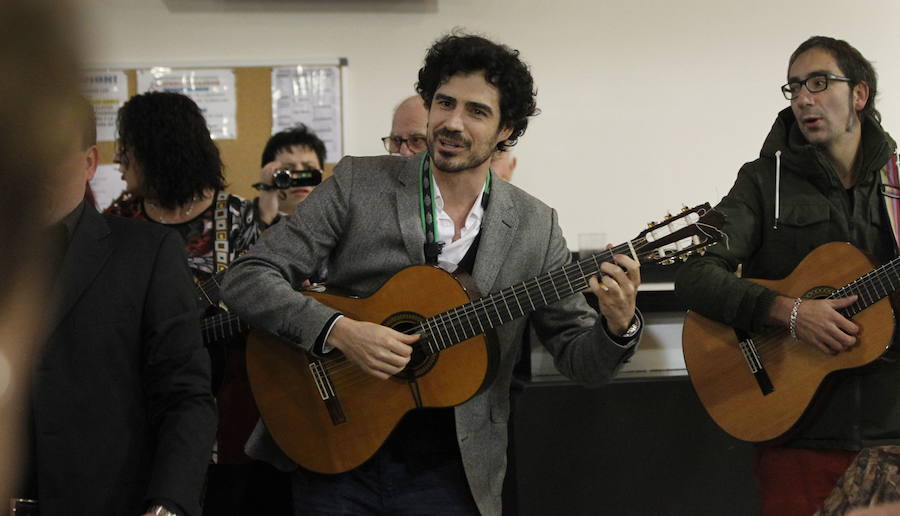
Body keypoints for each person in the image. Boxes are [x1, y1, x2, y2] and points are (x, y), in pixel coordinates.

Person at [222, 32, 642, 516]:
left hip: (454, 471)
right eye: (444, 103)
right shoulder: (360, 182)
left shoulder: (535, 225)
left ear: (507, 130)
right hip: (335, 444)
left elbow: (580, 361)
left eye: (476, 112)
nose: (452, 123)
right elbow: (247, 278)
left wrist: (617, 327)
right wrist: (339, 331)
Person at [675, 36, 900, 516]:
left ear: (859, 95)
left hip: (892, 434)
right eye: (795, 87)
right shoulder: (760, 181)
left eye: (819, 83)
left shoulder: (897, 183)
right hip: (798, 436)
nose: (803, 98)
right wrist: (789, 312)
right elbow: (695, 274)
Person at [21, 96, 216, 516]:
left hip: (109, 501)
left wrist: (167, 506)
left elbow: (184, 396)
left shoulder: (146, 253)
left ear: (89, 162)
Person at [104, 91, 280, 515]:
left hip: (231, 415)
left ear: (156, 152)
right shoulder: (115, 223)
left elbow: (265, 303)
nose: (119, 162)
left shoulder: (238, 217)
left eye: (126, 150)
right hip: (138, 418)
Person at [256, 124, 327, 223]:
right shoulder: (245, 222)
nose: (299, 178)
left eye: (309, 169)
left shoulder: (338, 224)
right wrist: (266, 217)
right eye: (287, 169)